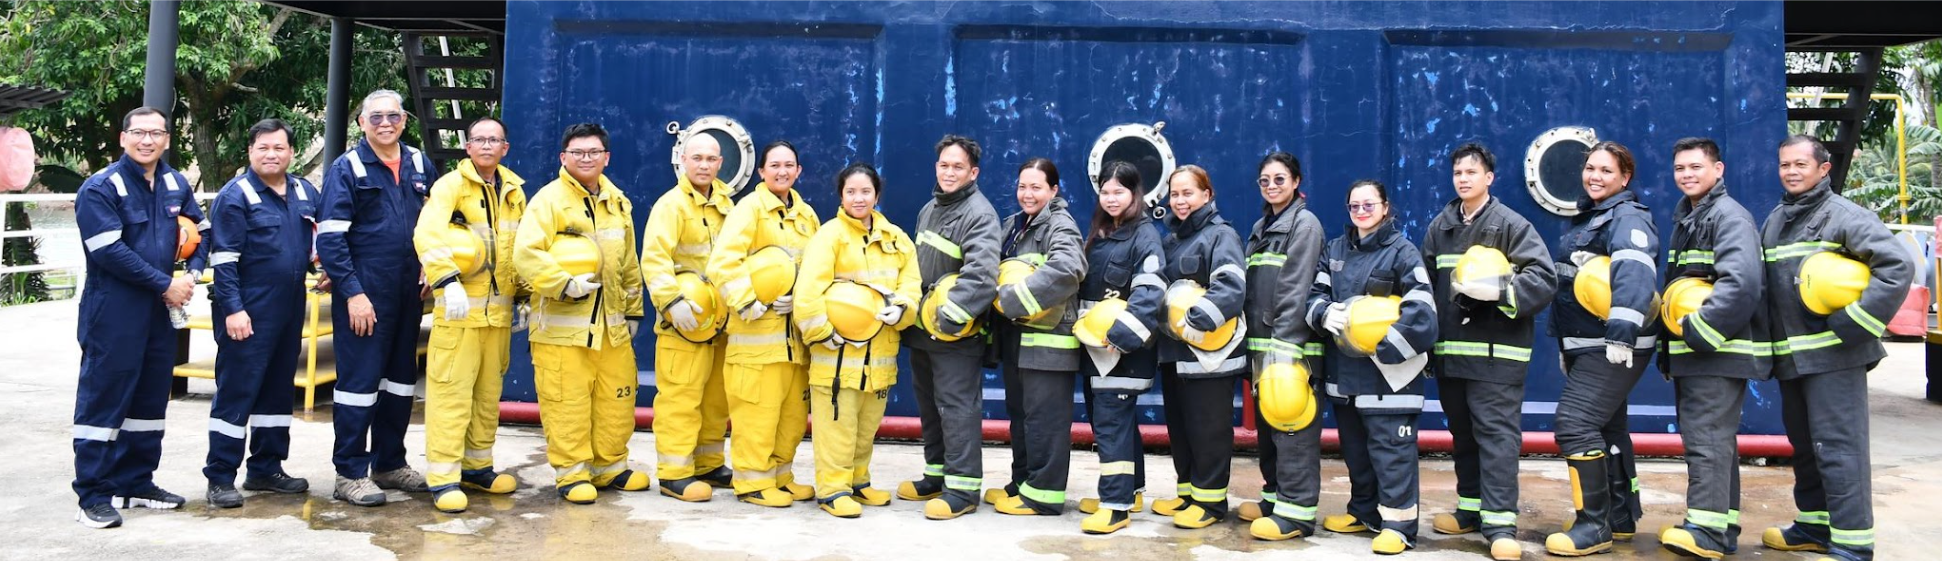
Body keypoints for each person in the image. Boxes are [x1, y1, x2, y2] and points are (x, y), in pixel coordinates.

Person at [1758, 135, 1911, 561]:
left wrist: (1855, 324)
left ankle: (1853, 542)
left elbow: (1897, 266)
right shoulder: (1776, 219)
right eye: (1784, 164)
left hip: (1835, 358)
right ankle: (1815, 524)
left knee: (1839, 448)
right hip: (1793, 358)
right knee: (1806, 446)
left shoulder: (1844, 216)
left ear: (1823, 169)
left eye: (1800, 164)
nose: (1791, 172)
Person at [71, 106, 208, 527]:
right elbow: (108, 251)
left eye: (156, 133)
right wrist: (165, 284)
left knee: (150, 398)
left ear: (167, 139)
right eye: (139, 133)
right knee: (105, 399)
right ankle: (93, 495)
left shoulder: (174, 182)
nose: (147, 140)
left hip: (159, 312)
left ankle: (136, 482)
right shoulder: (100, 187)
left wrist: (192, 274)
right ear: (123, 138)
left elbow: (203, 231)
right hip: (113, 310)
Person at [1419, 143, 1556, 560]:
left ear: (1489, 178)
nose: (1463, 179)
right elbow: (1424, 288)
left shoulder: (1511, 225)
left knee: (1496, 438)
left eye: (1471, 173)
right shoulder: (1440, 228)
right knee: (1463, 435)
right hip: (1452, 356)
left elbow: (1544, 278)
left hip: (1498, 357)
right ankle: (1471, 508)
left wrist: (1500, 291)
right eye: (1458, 173)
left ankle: (1499, 523)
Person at [512, 122, 652, 504]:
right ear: (563, 157)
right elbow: (525, 254)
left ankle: (610, 467)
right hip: (562, 331)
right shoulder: (548, 201)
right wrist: (563, 283)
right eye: (577, 152)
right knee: (567, 403)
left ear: (607, 157)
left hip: (612, 328)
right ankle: (572, 473)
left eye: (593, 152)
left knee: (615, 399)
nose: (586, 158)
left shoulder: (617, 202)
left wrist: (634, 311)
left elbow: (628, 263)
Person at [317, 89, 435, 507]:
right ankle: (349, 472)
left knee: (401, 382)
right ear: (362, 123)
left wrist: (431, 264)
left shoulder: (419, 162)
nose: (386, 123)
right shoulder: (347, 167)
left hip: (408, 290)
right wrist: (352, 293)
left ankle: (390, 463)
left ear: (404, 120)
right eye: (377, 117)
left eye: (394, 116)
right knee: (359, 383)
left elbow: (437, 222)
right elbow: (330, 238)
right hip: (366, 290)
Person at [1308, 179, 1438, 555]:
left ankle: (1399, 526)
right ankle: (1364, 512)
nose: (1361, 212)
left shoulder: (1402, 252)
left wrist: (1383, 348)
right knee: (1357, 452)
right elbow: (1314, 294)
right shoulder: (1335, 250)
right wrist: (1323, 313)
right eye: (1355, 206)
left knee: (1391, 452)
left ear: (1385, 208)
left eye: (1369, 205)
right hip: (1346, 376)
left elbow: (1423, 312)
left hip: (1389, 378)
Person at [1545, 141, 1658, 556]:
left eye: (1607, 171)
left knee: (1574, 423)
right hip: (1589, 343)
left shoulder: (1627, 218)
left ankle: (1593, 525)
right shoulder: (1592, 217)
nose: (1595, 176)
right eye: (1590, 168)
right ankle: (1618, 516)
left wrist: (1621, 333)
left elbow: (1634, 273)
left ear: (1625, 178)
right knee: (1607, 427)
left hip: (1612, 344)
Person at [1652, 137, 1764, 558]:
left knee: (1707, 440)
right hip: (1698, 354)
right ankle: (1723, 525)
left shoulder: (1728, 217)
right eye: (1680, 168)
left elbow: (1741, 284)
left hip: (1715, 354)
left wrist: (1700, 333)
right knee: (1716, 440)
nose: (1687, 175)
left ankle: (1706, 532)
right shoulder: (1691, 216)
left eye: (1696, 167)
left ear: (1718, 170)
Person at [411, 116, 528, 513]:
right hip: (459, 314)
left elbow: (519, 247)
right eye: (479, 139)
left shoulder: (513, 191)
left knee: (486, 397)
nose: (487, 146)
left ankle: (477, 468)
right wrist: (446, 280)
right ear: (468, 146)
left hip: (498, 316)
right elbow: (427, 233)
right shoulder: (450, 187)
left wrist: (525, 296)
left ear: (505, 148)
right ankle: (443, 477)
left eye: (494, 140)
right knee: (451, 395)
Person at [792, 163, 922, 518]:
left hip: (879, 358)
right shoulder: (829, 237)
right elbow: (807, 294)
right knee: (838, 427)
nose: (858, 198)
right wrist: (822, 333)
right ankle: (833, 489)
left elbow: (912, 285)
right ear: (841, 196)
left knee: (866, 428)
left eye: (865, 191)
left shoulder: (896, 239)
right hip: (837, 359)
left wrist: (903, 309)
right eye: (851, 192)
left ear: (877, 195)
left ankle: (858, 481)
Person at [202, 119, 319, 509]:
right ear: (250, 152)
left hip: (289, 307)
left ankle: (266, 468)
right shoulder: (236, 196)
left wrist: (325, 266)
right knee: (238, 391)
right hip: (248, 309)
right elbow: (224, 262)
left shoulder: (304, 191)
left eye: (279, 148)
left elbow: (317, 239)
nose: (271, 154)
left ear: (291, 152)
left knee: (277, 389)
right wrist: (234, 309)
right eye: (263, 148)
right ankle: (220, 477)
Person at [705, 140, 821, 507]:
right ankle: (752, 482)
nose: (782, 172)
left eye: (789, 165)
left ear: (798, 171)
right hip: (757, 339)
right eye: (775, 165)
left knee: (791, 417)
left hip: (794, 341)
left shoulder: (807, 216)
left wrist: (800, 296)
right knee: (757, 415)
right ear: (761, 171)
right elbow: (722, 263)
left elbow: (816, 269)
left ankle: (780, 476)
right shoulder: (749, 210)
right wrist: (746, 301)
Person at [897, 135, 1001, 521]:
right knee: (929, 405)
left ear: (973, 173)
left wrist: (950, 318)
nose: (949, 172)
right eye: (944, 165)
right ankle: (937, 475)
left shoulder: (979, 214)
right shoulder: (931, 208)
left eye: (958, 166)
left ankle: (963, 489)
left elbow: (982, 275)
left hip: (955, 334)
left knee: (957, 408)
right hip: (924, 332)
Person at [1239, 152, 1329, 541]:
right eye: (1265, 180)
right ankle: (1274, 497)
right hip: (1264, 351)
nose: (1272, 186)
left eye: (1279, 179)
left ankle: (1296, 513)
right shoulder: (1262, 227)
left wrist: (1286, 347)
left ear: (1296, 182)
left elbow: (1295, 289)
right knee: (1269, 429)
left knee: (1293, 430)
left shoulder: (1304, 226)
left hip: (1292, 351)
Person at [1152, 165, 1247, 529]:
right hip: (1175, 354)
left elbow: (1231, 288)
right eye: (1175, 194)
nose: (1180, 201)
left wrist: (1195, 319)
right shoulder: (1172, 240)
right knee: (1181, 428)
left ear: (1207, 195)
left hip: (1210, 357)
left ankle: (1210, 502)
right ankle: (1188, 493)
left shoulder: (1221, 236)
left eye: (1188, 193)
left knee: (1208, 430)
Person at [989, 158, 1086, 516]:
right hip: (1018, 341)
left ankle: (1044, 494)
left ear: (1053, 190)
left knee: (1045, 420)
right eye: (1022, 187)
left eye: (1036, 187)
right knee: (1021, 416)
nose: (1027, 194)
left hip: (1049, 343)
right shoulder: (1013, 225)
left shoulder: (1060, 225)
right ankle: (1023, 483)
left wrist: (1014, 301)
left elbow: (1069, 268)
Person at [641, 133, 735, 501]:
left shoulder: (727, 206)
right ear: (682, 159)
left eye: (711, 159)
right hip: (683, 322)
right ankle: (674, 473)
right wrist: (671, 301)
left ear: (720, 163)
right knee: (680, 397)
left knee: (715, 398)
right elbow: (655, 259)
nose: (704, 165)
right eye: (697, 158)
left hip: (719, 322)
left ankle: (708, 463)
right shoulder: (671, 206)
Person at [1072, 161, 1164, 534]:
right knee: (1114, 423)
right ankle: (1132, 490)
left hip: (1121, 353)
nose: (1111, 199)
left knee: (1111, 426)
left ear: (1134, 194)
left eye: (1119, 192)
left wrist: (1120, 338)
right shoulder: (1102, 233)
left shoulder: (1145, 237)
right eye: (1105, 192)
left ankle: (1115, 506)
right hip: (1096, 351)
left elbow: (1150, 293)